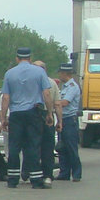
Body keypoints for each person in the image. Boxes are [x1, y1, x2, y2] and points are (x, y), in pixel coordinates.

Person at [0, 47, 54, 189]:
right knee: (33, 145)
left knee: (14, 146)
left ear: (17, 58)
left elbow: (6, 97)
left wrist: (3, 118)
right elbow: (47, 94)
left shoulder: (9, 74)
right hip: (33, 112)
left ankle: (12, 179)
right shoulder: (39, 72)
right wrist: (49, 113)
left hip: (16, 114)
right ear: (30, 58)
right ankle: (36, 179)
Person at [33, 60, 63, 188]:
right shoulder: (51, 83)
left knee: (33, 146)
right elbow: (57, 104)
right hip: (46, 114)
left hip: (35, 115)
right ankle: (47, 175)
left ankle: (34, 173)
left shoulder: (29, 82)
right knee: (47, 147)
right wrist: (59, 120)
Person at [56, 63, 82, 182]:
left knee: (71, 148)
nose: (59, 75)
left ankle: (76, 173)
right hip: (62, 119)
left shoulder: (72, 86)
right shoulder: (64, 87)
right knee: (62, 148)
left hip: (69, 119)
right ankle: (64, 173)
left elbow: (65, 102)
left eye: (60, 73)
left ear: (65, 73)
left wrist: (53, 104)